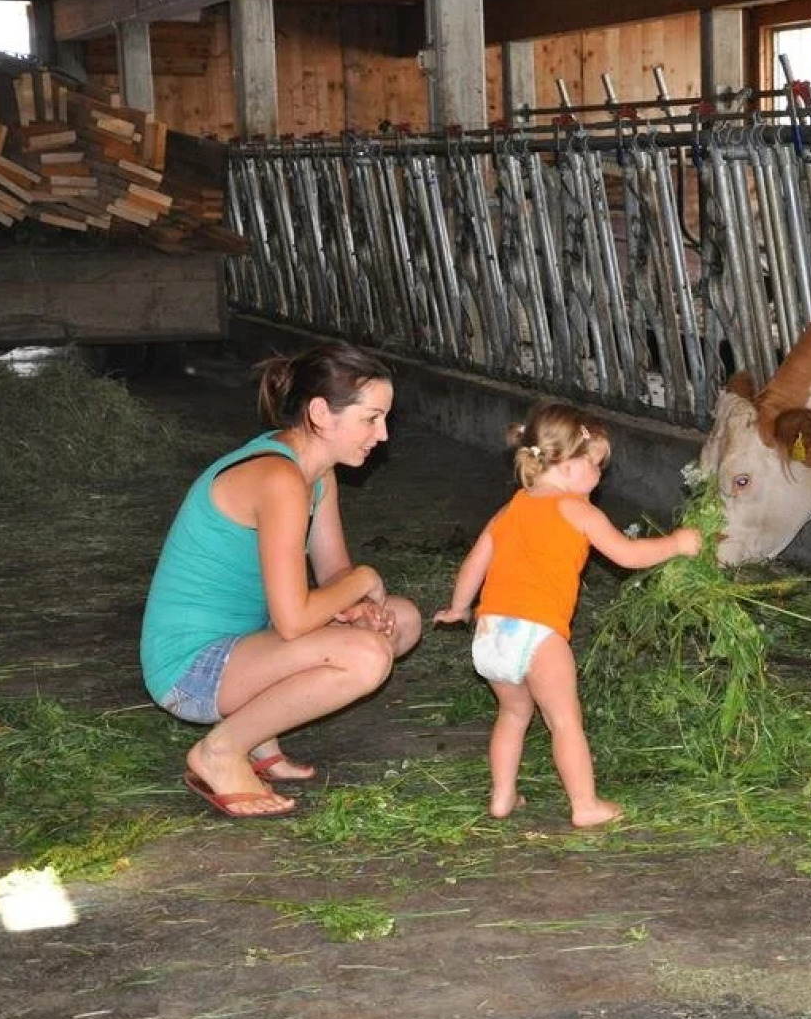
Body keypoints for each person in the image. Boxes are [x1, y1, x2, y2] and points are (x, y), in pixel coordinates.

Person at [140, 343, 422, 818]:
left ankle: (257, 738)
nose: (383, 434)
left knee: (403, 619)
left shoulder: (315, 474)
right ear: (320, 413)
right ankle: (220, 752)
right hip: (189, 669)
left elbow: (334, 574)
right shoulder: (279, 479)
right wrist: (365, 581)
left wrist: (361, 603)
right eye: (371, 418)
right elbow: (295, 621)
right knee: (366, 656)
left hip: (245, 645)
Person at [434, 402, 701, 828]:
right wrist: (678, 544)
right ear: (569, 464)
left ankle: (502, 796)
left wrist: (458, 607)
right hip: (539, 634)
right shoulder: (577, 510)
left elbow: (475, 562)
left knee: (512, 714)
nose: (600, 476)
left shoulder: (512, 508)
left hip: (491, 633)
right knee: (564, 721)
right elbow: (627, 554)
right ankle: (585, 804)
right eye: (596, 465)